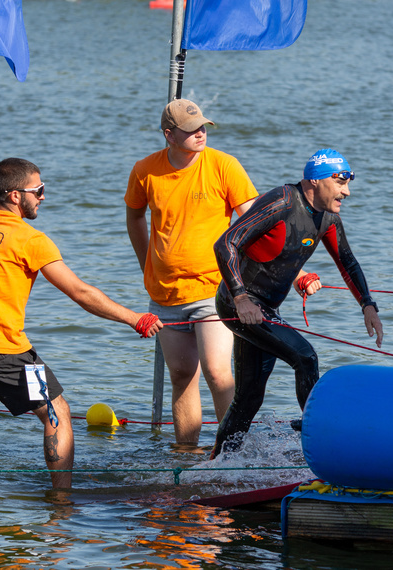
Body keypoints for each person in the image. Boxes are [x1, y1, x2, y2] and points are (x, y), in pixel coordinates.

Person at [0, 158, 163, 488]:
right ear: (16, 195)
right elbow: (79, 292)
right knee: (56, 412)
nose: (43, 196)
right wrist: (134, 318)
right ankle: (61, 502)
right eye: (38, 190)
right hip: (5, 354)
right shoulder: (30, 239)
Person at [210, 148, 384, 458]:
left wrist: (368, 305)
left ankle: (220, 463)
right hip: (239, 304)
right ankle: (319, 445)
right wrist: (240, 298)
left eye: (348, 183)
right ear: (316, 181)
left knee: (249, 397)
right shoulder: (281, 202)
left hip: (267, 309)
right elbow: (225, 244)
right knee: (305, 357)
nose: (347, 191)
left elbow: (347, 261)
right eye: (341, 182)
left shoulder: (328, 216)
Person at [125, 99, 258, 447]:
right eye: (190, 130)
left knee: (217, 372)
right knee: (182, 375)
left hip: (214, 289)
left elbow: (255, 222)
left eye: (202, 126)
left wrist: (253, 277)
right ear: (169, 135)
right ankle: (185, 452)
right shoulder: (145, 170)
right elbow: (134, 216)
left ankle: (234, 451)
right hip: (165, 294)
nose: (200, 133)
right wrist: (147, 265)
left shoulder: (224, 165)